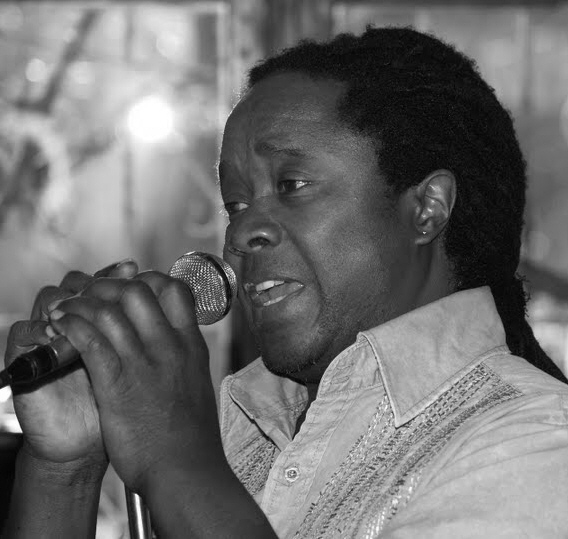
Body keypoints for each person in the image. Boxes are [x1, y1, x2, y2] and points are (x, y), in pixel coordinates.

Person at [3, 26, 568, 538]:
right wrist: (64, 472)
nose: (240, 232)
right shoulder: (235, 430)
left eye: (292, 185)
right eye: (235, 204)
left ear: (426, 208)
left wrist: (175, 455)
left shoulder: (536, 442)